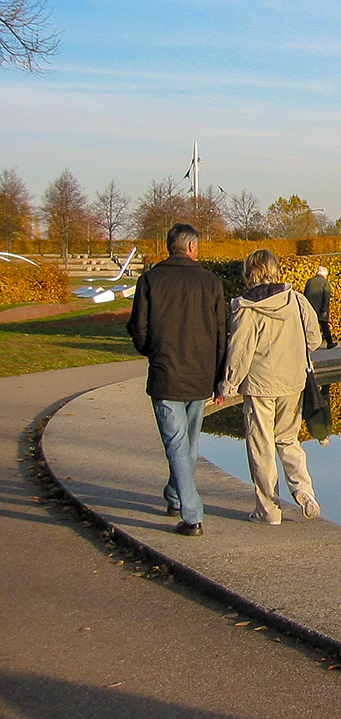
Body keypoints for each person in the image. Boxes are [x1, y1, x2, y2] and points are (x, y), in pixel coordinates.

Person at [126, 223, 226, 537]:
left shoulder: (150, 280)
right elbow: (222, 333)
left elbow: (138, 330)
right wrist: (219, 376)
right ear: (193, 248)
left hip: (167, 372)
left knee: (178, 445)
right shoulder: (211, 282)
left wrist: (151, 351)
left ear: (170, 247)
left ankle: (191, 513)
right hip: (200, 374)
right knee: (187, 444)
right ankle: (176, 497)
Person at [219, 249, 323, 526]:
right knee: (288, 439)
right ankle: (304, 490)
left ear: (249, 272)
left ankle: (268, 510)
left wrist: (227, 386)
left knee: (261, 446)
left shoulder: (246, 307)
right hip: (293, 382)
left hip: (259, 385)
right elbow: (313, 339)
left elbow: (239, 352)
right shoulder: (296, 300)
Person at [303, 266, 338, 349]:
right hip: (321, 308)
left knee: (308, 327)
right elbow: (326, 297)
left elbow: (305, 294)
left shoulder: (310, 281)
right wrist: (325, 309)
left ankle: (308, 344)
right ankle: (329, 342)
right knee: (324, 326)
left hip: (310, 307)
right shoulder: (324, 282)